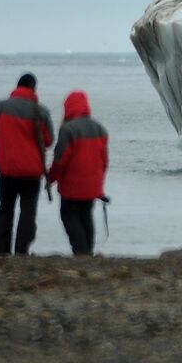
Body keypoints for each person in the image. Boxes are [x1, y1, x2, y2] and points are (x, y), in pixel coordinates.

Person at [0, 73, 54, 255]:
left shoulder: (0, 108)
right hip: (32, 172)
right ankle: (22, 251)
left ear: (17, 86)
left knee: (5, 210)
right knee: (28, 213)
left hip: (7, 170)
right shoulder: (41, 112)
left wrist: (7, 139)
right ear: (34, 89)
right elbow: (48, 140)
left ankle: (1, 250)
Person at [47, 90, 109, 256]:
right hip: (92, 187)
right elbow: (104, 162)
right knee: (86, 216)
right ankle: (87, 251)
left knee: (69, 216)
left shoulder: (68, 129)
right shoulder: (100, 129)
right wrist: (98, 184)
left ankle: (81, 251)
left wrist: (50, 178)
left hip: (71, 187)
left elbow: (60, 159)